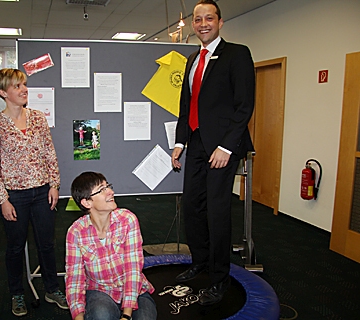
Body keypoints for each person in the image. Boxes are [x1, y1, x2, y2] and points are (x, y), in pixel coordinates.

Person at [171, 0, 255, 306]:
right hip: (195, 144)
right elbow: (186, 107)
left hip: (222, 146)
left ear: (220, 22)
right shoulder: (192, 58)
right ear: (192, 25)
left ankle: (220, 278)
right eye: (197, 19)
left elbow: (245, 106)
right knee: (192, 207)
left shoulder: (237, 54)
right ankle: (200, 262)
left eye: (209, 18)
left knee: (217, 213)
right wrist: (180, 144)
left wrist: (227, 146)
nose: (203, 23)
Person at [0, 68, 68, 316]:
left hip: (42, 192)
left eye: (24, 84)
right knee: (15, 247)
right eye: (17, 86)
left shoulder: (38, 119)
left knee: (47, 244)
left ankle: (52, 288)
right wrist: (2, 200)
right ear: (3, 92)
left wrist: (54, 184)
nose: (24, 90)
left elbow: (49, 153)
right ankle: (17, 294)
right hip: (15, 197)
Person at [65, 172, 157, 320]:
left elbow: (133, 269)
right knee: (102, 316)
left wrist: (126, 316)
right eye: (102, 190)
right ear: (87, 203)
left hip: (135, 289)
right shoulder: (75, 232)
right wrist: (78, 317)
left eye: (108, 186)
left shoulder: (128, 220)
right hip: (100, 290)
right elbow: (74, 279)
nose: (111, 192)